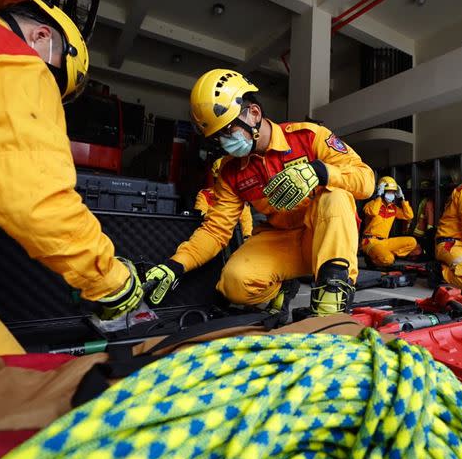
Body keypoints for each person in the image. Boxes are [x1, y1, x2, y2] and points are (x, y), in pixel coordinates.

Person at [0, 0, 141, 388]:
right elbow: (37, 203)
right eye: (56, 84)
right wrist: (111, 281)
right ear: (41, 39)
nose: (48, 95)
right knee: (9, 386)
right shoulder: (14, 58)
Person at [144, 69, 374, 316]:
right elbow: (216, 229)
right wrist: (176, 265)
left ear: (253, 113)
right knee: (234, 284)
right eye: (217, 136)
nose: (224, 142)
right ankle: (281, 288)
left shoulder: (308, 137)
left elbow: (366, 180)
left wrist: (321, 172)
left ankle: (332, 293)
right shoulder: (230, 172)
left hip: (327, 237)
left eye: (228, 130)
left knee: (336, 196)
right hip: (282, 241)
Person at [360, 176, 420, 268]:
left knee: (412, 242)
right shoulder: (370, 205)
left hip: (385, 242)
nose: (391, 194)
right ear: (382, 191)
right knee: (388, 260)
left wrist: (402, 199)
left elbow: (409, 215)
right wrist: (378, 196)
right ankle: (374, 259)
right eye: (388, 191)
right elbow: (373, 212)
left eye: (393, 192)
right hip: (370, 241)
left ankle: (386, 255)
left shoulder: (393, 208)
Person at [195, 157, 253, 240]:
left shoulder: (239, 197)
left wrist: (247, 236)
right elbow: (201, 214)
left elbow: (245, 218)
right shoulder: (205, 194)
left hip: (234, 237)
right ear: (216, 179)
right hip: (213, 233)